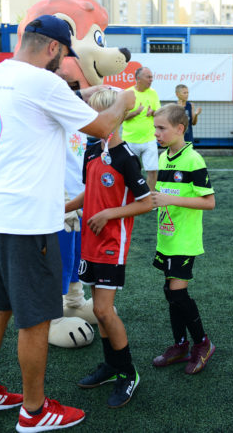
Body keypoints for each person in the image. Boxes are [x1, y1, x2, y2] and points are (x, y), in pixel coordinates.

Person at [0, 15, 135, 431]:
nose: (63, 65)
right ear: (54, 49)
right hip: (24, 221)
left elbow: (46, 102)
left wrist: (87, 92)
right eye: (64, 56)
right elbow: (102, 125)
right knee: (37, 317)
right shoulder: (45, 83)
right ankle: (35, 411)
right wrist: (125, 101)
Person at [66, 89, 152, 408]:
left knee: (102, 310)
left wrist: (108, 214)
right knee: (100, 312)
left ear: (109, 118)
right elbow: (89, 195)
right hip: (89, 243)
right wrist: (61, 207)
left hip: (111, 245)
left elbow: (146, 203)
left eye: (94, 115)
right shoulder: (92, 151)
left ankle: (128, 372)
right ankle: (111, 366)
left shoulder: (125, 157)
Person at [151, 104, 216, 374]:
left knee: (177, 292)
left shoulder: (194, 160)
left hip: (184, 240)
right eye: (155, 127)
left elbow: (209, 202)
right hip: (166, 237)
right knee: (170, 293)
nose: (156, 133)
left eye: (161, 128)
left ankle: (202, 343)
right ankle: (180, 345)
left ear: (180, 129)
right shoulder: (164, 157)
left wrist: (169, 199)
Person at [123, 67, 161, 191]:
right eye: (148, 77)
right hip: (130, 140)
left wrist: (153, 112)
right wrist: (136, 112)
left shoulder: (153, 93)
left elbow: (160, 113)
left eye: (151, 77)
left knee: (153, 170)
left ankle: (150, 200)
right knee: (129, 172)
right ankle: (130, 200)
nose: (151, 79)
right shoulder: (127, 93)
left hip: (150, 138)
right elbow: (121, 116)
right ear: (138, 79)